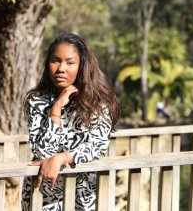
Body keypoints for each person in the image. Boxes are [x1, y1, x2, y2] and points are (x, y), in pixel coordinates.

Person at [21, 33, 120, 210]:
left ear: (82, 65)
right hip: (44, 196)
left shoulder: (98, 102)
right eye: (55, 60)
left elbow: (98, 145)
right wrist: (56, 108)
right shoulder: (36, 101)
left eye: (70, 62)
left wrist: (62, 158)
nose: (61, 68)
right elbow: (42, 152)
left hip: (84, 194)